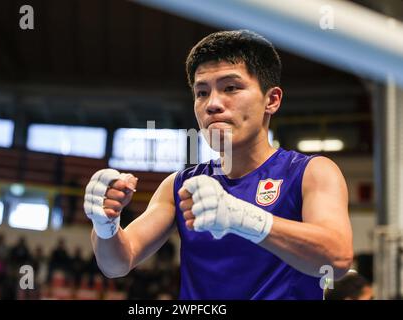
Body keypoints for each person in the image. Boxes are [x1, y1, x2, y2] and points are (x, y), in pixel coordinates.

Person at [84, 30, 353, 299]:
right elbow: (116, 265)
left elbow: (337, 261)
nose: (212, 104)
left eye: (231, 88)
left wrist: (241, 217)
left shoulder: (310, 172)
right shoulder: (179, 186)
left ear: (271, 100)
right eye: (202, 92)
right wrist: (104, 225)